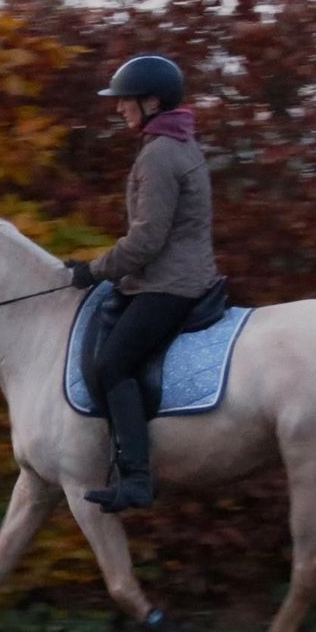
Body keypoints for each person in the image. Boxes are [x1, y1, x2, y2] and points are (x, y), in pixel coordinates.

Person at [65, 54, 222, 513]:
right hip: (171, 276)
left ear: (152, 101)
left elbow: (147, 239)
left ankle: (136, 478)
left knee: (113, 365)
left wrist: (94, 270)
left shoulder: (159, 154)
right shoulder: (175, 144)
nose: (119, 109)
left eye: (125, 101)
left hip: (169, 283)